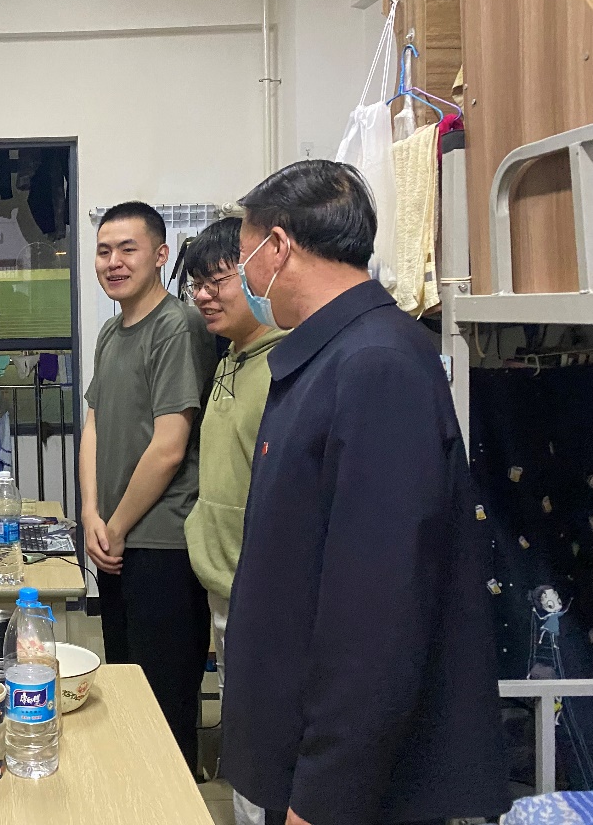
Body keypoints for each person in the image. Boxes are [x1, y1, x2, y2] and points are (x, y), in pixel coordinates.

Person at [221, 160, 508, 825]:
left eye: (244, 257)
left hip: (354, 789)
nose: (244, 278)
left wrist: (323, 794)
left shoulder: (377, 365)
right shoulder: (333, 354)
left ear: (278, 247)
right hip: (309, 754)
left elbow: (377, 614)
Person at [80, 200, 217, 774]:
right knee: (125, 689)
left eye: (127, 249)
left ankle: (174, 800)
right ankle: (135, 798)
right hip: (116, 538)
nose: (113, 262)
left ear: (160, 255)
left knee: (164, 700)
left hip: (162, 542)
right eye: (104, 251)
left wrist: (114, 526)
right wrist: (90, 513)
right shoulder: (111, 331)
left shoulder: (177, 326)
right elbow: (93, 423)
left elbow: (170, 446)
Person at [182, 215, 285, 825]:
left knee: (263, 745)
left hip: (262, 589)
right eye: (196, 284)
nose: (203, 296)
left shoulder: (284, 366)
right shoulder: (231, 358)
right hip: (223, 580)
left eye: (216, 281)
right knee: (244, 728)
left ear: (256, 272)